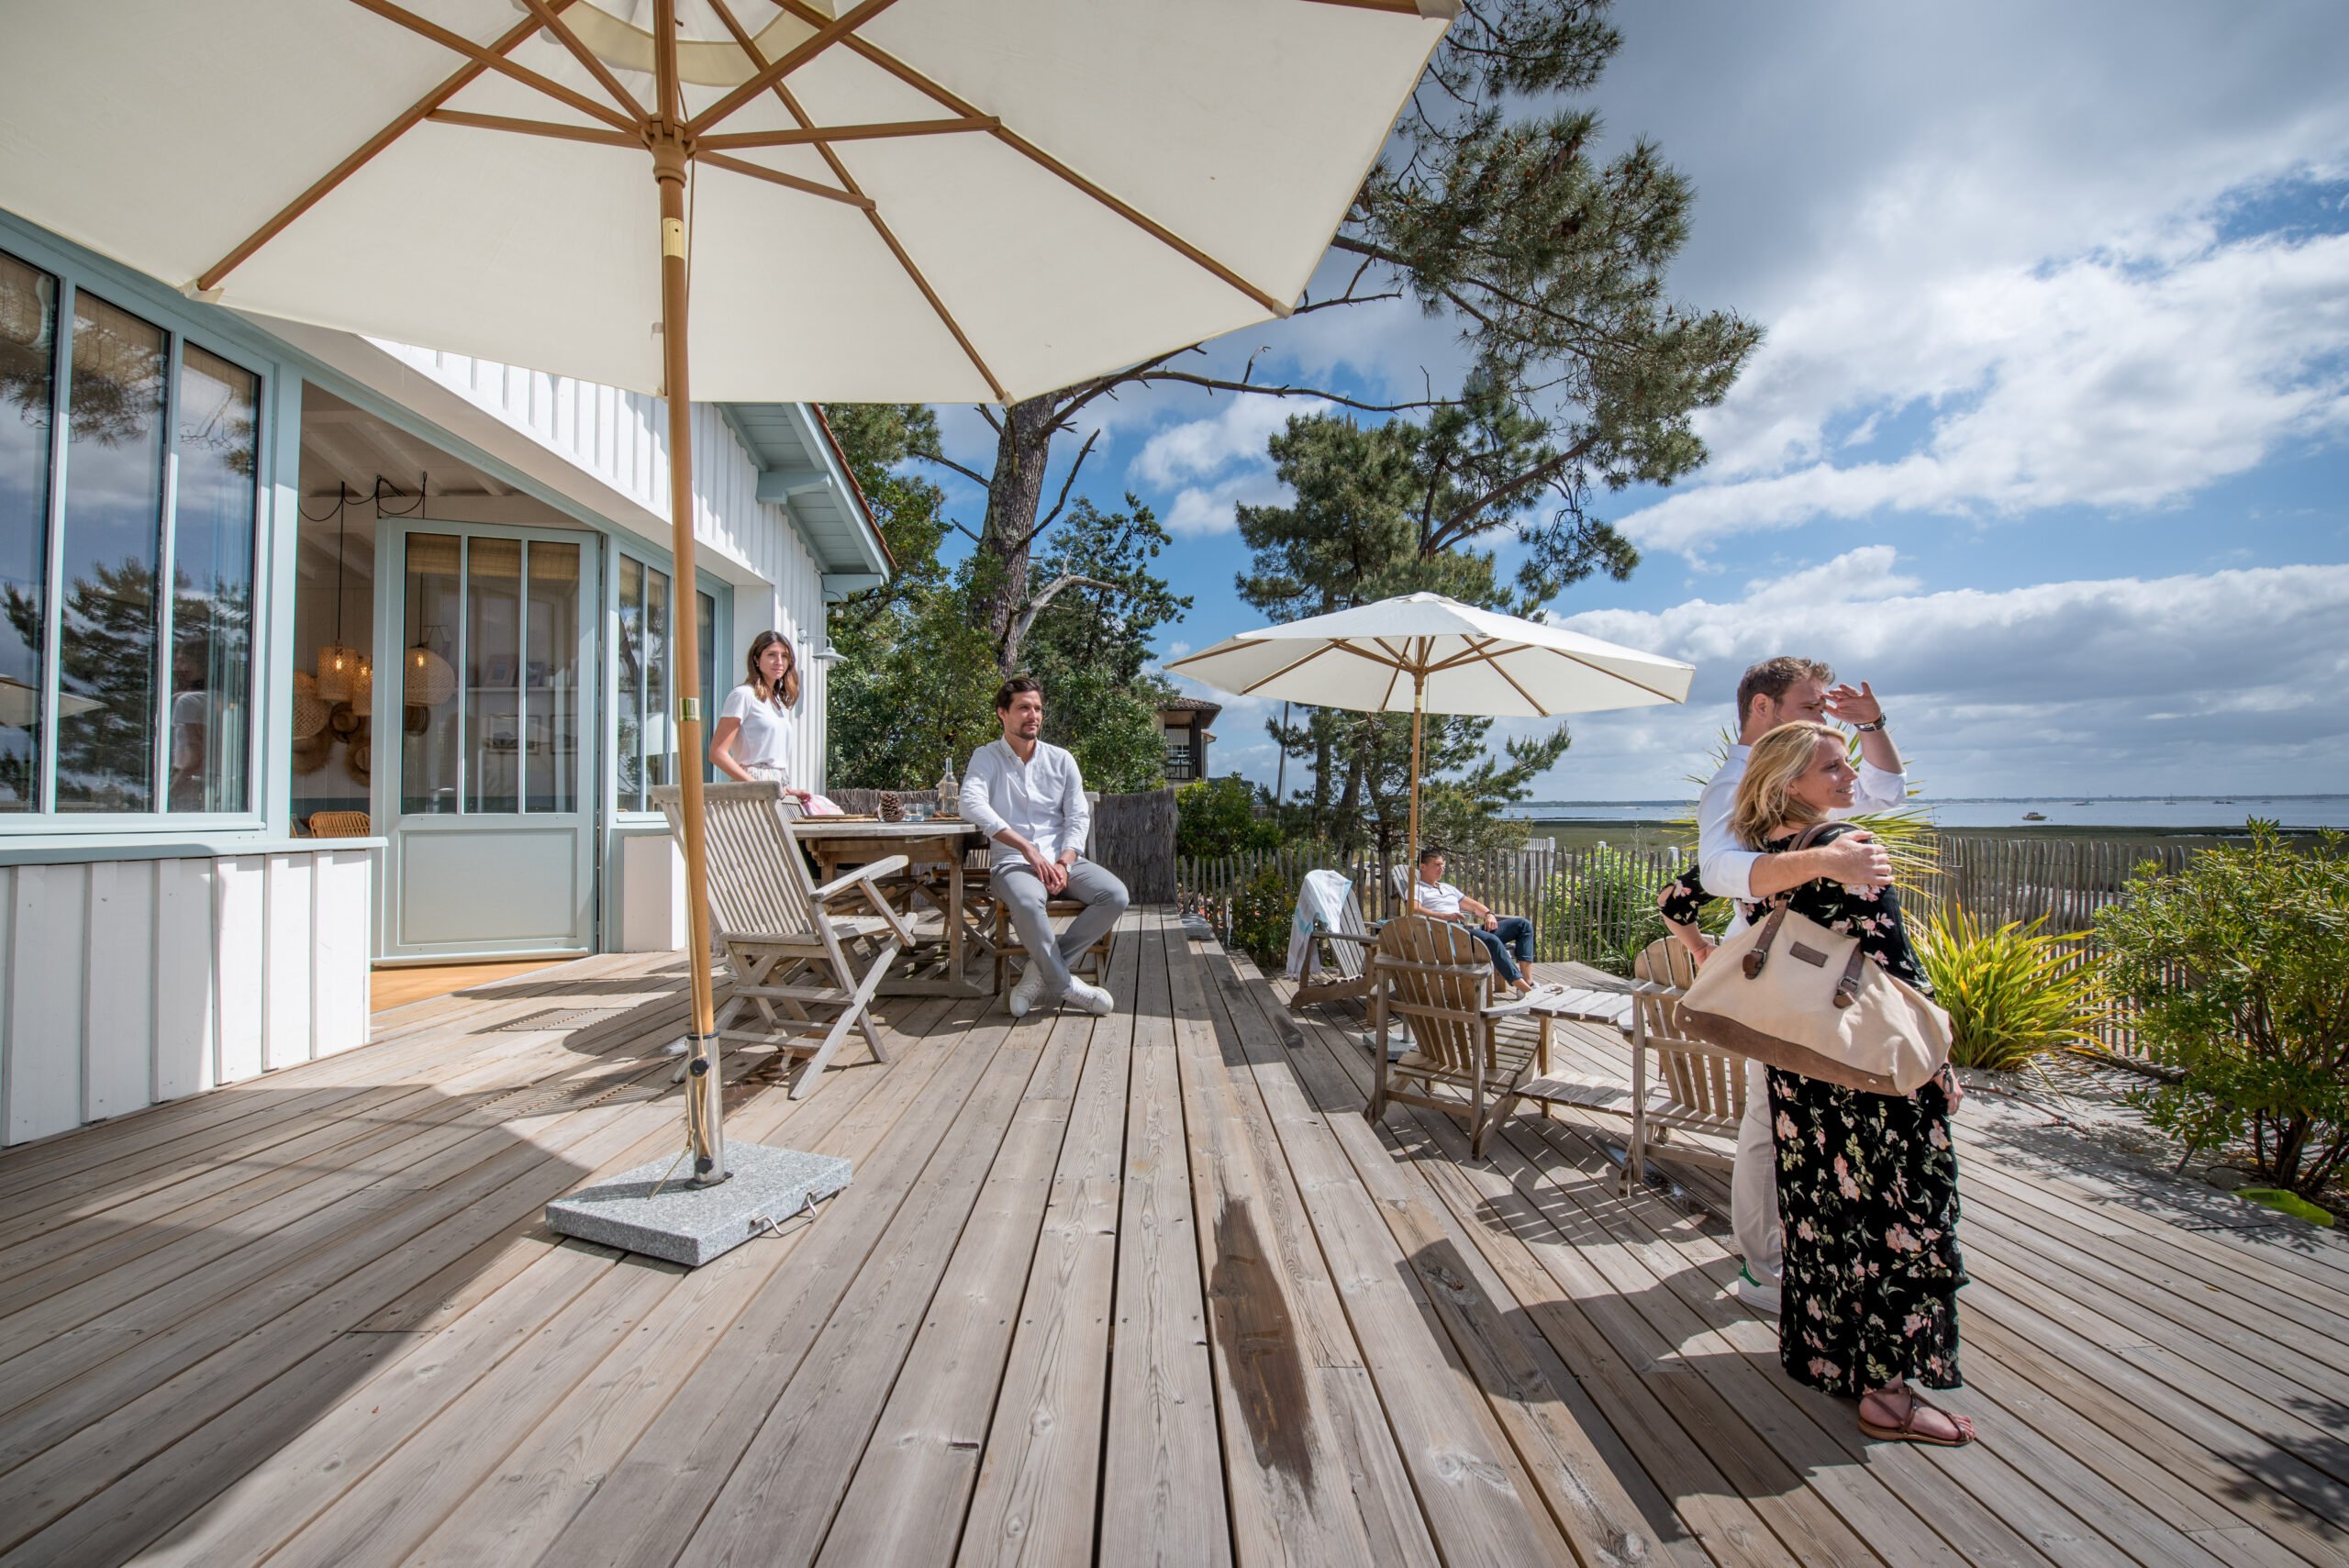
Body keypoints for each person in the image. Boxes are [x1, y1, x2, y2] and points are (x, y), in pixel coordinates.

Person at [1661, 721, 1973, 1447]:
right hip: (1864, 1070)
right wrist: (1938, 1060)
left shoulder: (1754, 854)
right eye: (1831, 766)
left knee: (1824, 1217)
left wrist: (1704, 950)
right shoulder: (1846, 848)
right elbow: (1895, 964)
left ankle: (1836, 1359)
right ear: (1789, 781)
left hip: (1799, 1067)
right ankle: (1887, 1396)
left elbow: (1677, 899)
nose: (1848, 776)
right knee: (1897, 1217)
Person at [1658, 656, 1905, 1314]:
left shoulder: (1809, 773)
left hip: (1822, 979)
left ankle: (1789, 1252)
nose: (1824, 717)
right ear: (1762, 707)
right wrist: (1826, 860)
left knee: (1790, 1123)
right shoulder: (1734, 783)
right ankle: (1765, 1267)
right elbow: (1718, 871)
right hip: (1786, 977)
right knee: (1770, 1125)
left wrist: (1873, 725)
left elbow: (1885, 793)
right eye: (1811, 705)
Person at [961, 676, 1129, 1018]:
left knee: (1115, 895)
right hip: (1013, 863)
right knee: (1026, 902)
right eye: (1023, 708)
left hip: (1062, 860)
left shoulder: (1061, 759)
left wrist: (1065, 862)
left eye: (1037, 708)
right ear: (1002, 713)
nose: (1033, 715)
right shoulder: (986, 757)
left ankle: (1040, 972)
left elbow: (1078, 816)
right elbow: (970, 803)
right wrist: (1026, 848)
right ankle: (1066, 986)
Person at [710, 630, 839, 812]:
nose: (779, 661)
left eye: (784, 656)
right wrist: (759, 787)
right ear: (756, 659)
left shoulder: (775, 702)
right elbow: (717, 753)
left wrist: (786, 789)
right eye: (771, 655)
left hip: (777, 788)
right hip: (753, 790)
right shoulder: (743, 695)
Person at [1412, 847, 1537, 995]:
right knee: (1491, 940)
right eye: (1437, 865)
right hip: (1448, 935)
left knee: (1523, 925)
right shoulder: (1417, 889)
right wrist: (1443, 916)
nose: (1442, 868)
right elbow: (1414, 909)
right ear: (1423, 867)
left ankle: (1528, 981)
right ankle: (1527, 990)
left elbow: (1473, 906)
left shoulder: (1447, 888)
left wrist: (1489, 914)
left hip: (1466, 932)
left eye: (1443, 865)